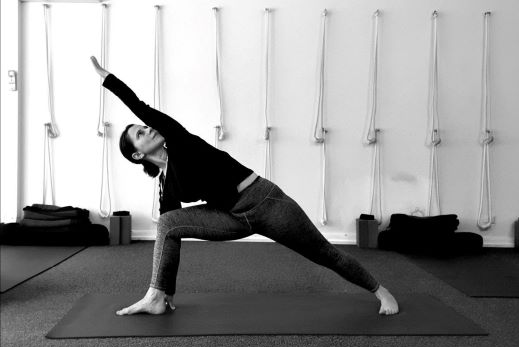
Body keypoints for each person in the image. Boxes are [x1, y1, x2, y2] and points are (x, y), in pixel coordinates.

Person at [90, 56, 399, 316]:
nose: (148, 128)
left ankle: (381, 291)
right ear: (138, 154)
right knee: (168, 223)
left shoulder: (179, 142)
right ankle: (158, 297)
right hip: (231, 218)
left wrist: (110, 80)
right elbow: (171, 235)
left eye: (144, 126)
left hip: (265, 202)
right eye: (141, 134)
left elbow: (141, 106)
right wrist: (167, 286)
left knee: (324, 254)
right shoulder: (165, 183)